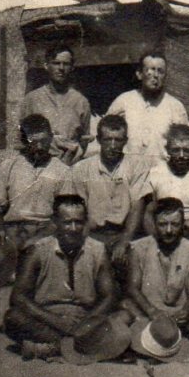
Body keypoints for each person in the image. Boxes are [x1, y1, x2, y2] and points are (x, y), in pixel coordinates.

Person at [0, 114, 71, 342]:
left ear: (51, 138)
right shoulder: (9, 166)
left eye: (44, 141)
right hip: (12, 231)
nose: (40, 147)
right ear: (24, 141)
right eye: (34, 142)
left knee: (36, 266)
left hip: (45, 231)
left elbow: (63, 214)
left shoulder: (62, 170)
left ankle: (33, 320)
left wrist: (45, 234)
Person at [3, 194, 117, 359]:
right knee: (13, 318)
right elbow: (18, 297)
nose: (73, 228)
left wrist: (87, 322)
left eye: (79, 222)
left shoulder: (98, 250)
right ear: (55, 222)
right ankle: (76, 345)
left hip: (85, 319)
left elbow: (109, 296)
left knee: (121, 318)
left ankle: (52, 347)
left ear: (85, 222)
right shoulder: (38, 250)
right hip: (47, 318)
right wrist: (57, 321)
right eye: (67, 222)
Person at [64, 114, 148, 270]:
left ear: (126, 141)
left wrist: (124, 241)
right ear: (99, 140)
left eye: (118, 140)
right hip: (93, 235)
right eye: (108, 139)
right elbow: (79, 212)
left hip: (124, 233)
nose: (113, 145)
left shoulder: (137, 166)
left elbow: (137, 206)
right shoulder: (82, 169)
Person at [121, 197, 189, 335]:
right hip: (148, 313)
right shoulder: (139, 248)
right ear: (154, 224)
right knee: (125, 306)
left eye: (175, 224)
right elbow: (133, 288)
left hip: (177, 317)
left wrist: (185, 311)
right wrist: (152, 311)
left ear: (182, 224)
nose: (169, 230)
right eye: (162, 224)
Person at [107, 50, 189, 168]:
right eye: (150, 70)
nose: (156, 75)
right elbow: (107, 137)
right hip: (127, 172)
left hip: (161, 173)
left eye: (160, 71)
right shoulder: (123, 102)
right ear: (139, 74)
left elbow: (183, 146)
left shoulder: (175, 107)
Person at [141, 124, 189, 248]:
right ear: (167, 149)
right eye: (176, 150)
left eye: (186, 150)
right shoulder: (155, 173)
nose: (181, 155)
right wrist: (156, 241)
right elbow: (148, 215)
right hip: (162, 233)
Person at [19, 44, 91, 165]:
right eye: (56, 63)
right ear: (46, 66)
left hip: (69, 167)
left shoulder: (81, 102)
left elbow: (84, 140)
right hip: (39, 166)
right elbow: (22, 137)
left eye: (66, 64)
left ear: (72, 67)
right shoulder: (32, 99)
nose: (61, 68)